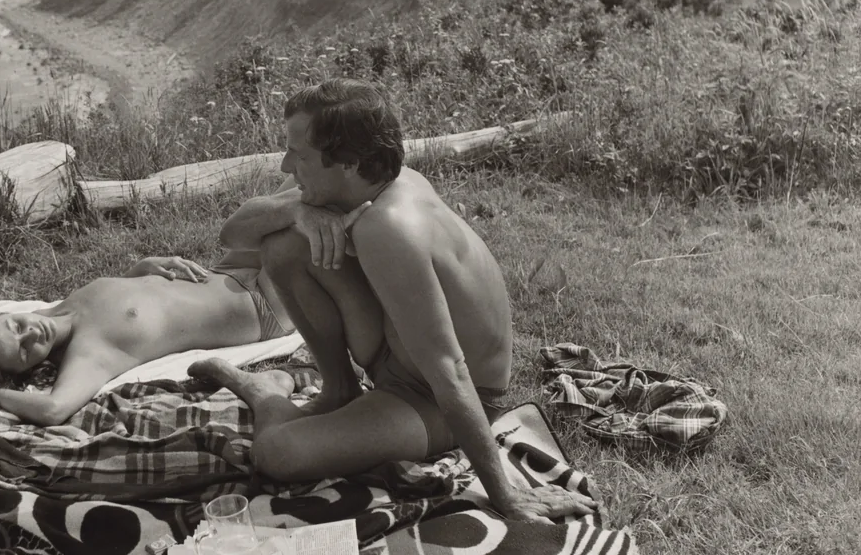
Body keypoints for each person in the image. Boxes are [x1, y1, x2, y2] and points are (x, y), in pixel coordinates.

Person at [189, 78, 596, 524]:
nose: (287, 165)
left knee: (276, 453)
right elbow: (233, 233)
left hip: (436, 399)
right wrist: (295, 210)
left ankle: (265, 393)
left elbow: (450, 369)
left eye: (299, 155)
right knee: (282, 246)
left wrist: (505, 494)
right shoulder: (361, 184)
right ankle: (339, 389)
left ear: (348, 163)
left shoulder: (389, 227)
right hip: (394, 358)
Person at [0, 253, 293, 426]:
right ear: (29, 368)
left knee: (302, 170)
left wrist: (139, 272)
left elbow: (122, 306)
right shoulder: (88, 353)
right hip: (262, 304)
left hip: (229, 269)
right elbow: (54, 409)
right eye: (25, 351)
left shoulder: (64, 307)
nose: (31, 333)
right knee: (301, 213)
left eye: (15, 326)